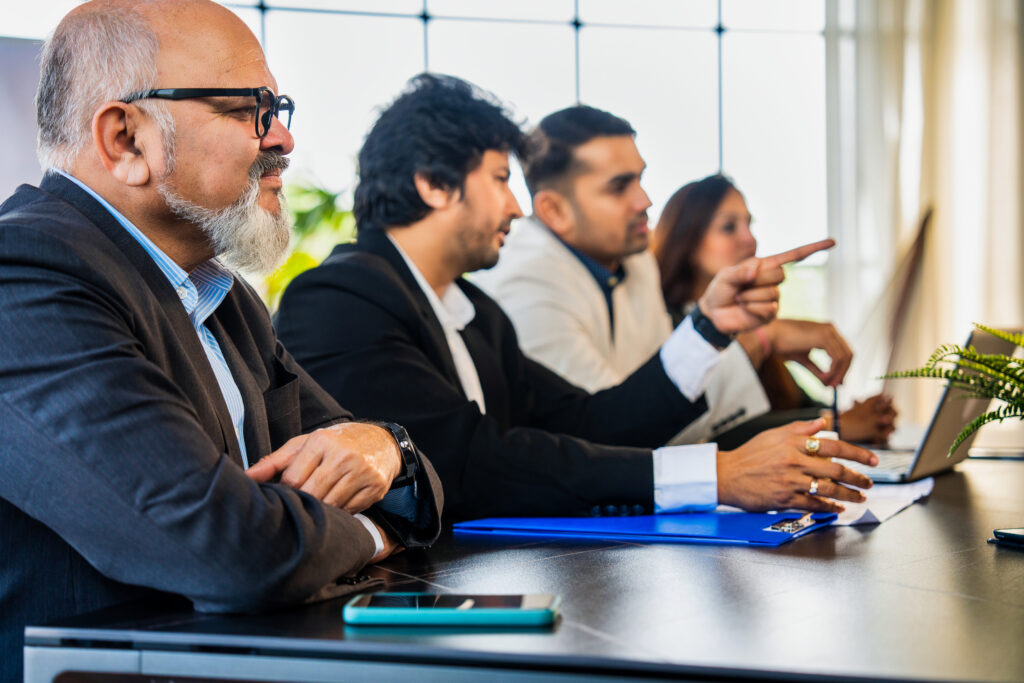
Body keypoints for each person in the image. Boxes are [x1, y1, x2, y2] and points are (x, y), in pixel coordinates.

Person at [0, 2, 441, 679]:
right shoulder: (25, 277)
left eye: (277, 109)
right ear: (126, 139)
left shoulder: (221, 295)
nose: (283, 138)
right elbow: (233, 550)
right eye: (246, 110)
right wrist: (373, 532)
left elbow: (389, 471)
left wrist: (386, 447)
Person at [275, 74, 878, 525]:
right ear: (434, 185)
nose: (517, 207)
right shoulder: (340, 299)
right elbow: (467, 463)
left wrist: (709, 328)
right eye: (501, 179)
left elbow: (595, 425)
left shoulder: (478, 315)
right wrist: (717, 475)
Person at [652, 174, 897, 446]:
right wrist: (834, 425)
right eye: (729, 227)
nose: (750, 240)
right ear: (687, 240)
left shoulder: (751, 322)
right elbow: (708, 433)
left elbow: (793, 404)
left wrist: (858, 417)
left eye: (749, 224)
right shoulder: (666, 329)